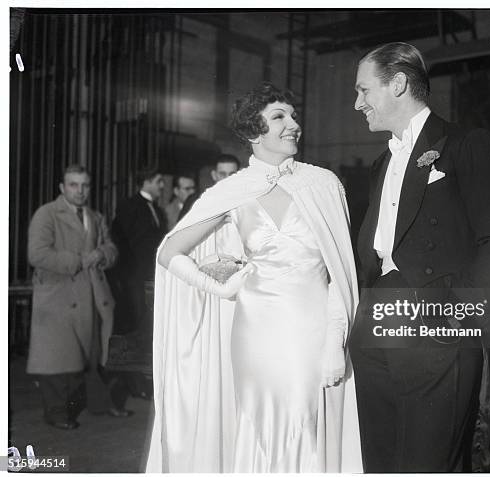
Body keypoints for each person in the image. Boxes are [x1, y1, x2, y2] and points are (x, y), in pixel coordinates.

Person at [146, 83, 362, 472]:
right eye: (279, 116)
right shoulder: (233, 190)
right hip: (254, 332)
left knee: (305, 424)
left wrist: (335, 341)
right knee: (258, 428)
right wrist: (219, 286)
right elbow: (168, 252)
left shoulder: (323, 184)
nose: (293, 124)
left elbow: (340, 276)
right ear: (252, 131)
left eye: (293, 115)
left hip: (313, 330)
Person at [349, 42, 490, 472]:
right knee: (381, 460)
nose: (357, 104)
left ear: (397, 84)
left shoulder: (468, 144)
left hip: (436, 323)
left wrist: (457, 311)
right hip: (377, 320)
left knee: (427, 463)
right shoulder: (380, 164)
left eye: (363, 91)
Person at [27, 164, 130, 430]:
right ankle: (57, 413)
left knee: (94, 355)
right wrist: (79, 260)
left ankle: (99, 404)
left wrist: (103, 254)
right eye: (73, 184)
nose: (80, 190)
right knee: (58, 360)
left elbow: (111, 247)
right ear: (62, 187)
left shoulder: (95, 216)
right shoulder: (47, 214)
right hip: (59, 296)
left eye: (84, 185)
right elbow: (37, 254)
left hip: (93, 295)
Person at [112, 168, 167, 334]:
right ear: (146, 182)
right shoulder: (129, 206)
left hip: (151, 273)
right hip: (134, 274)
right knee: (135, 319)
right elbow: (121, 239)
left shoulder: (157, 210)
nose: (163, 186)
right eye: (158, 181)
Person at [178, 154, 240, 222]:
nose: (227, 178)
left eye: (232, 174)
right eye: (222, 174)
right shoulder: (196, 201)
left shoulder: (247, 200)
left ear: (239, 174)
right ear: (214, 175)